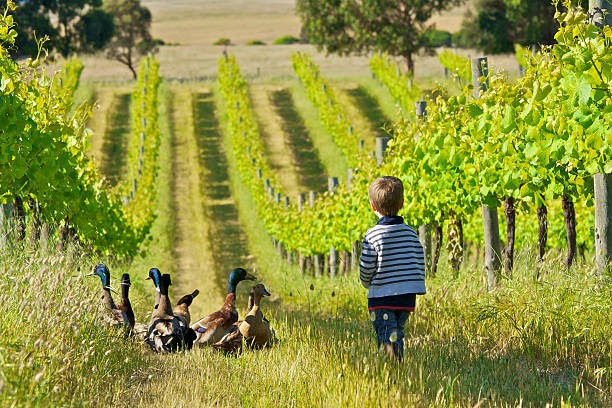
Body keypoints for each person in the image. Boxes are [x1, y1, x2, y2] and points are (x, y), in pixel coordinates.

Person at [359, 176, 426, 360]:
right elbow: (418, 261)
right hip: (407, 297)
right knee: (397, 330)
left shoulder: (373, 235)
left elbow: (366, 267)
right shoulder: (411, 233)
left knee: (387, 334)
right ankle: (396, 364)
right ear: (402, 203)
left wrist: (366, 283)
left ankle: (392, 367)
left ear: (373, 206)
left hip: (382, 296)